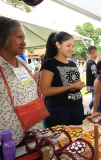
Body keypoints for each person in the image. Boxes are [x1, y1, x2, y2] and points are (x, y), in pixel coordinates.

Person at [0, 17, 42, 145]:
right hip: (9, 141)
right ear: (2, 38)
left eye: (24, 38)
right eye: (19, 37)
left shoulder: (22, 62)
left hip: (32, 134)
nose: (24, 43)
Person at [40, 32, 86, 128]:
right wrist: (72, 86)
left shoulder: (73, 64)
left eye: (73, 46)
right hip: (59, 109)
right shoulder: (50, 63)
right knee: (61, 140)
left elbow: (77, 83)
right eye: (68, 45)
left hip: (77, 107)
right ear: (58, 44)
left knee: (77, 138)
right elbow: (45, 90)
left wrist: (79, 85)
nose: (72, 49)